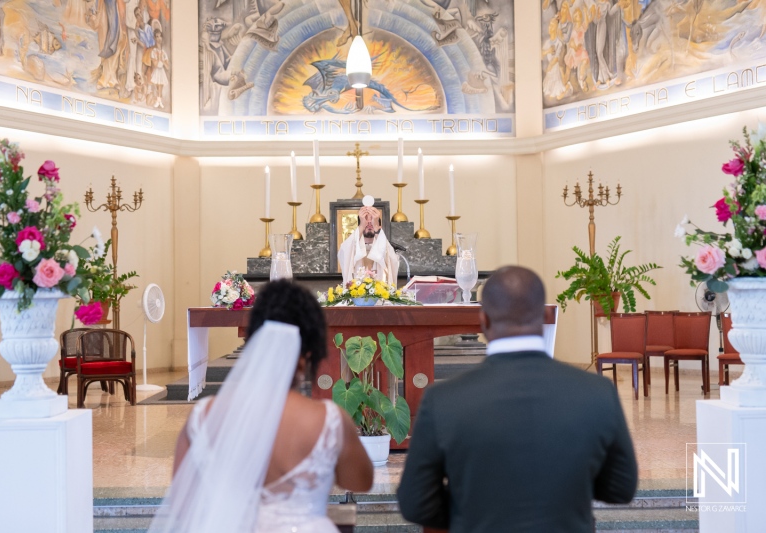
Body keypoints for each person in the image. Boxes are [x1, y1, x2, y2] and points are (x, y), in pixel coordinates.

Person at [397, 266, 638, 533]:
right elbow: (621, 489)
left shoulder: (443, 399)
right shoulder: (597, 392)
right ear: (545, 316)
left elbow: (414, 503)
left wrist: (463, 511)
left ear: (484, 321)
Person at [150, 280, 374, 532]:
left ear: (255, 339)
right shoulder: (328, 420)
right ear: (308, 353)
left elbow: (183, 506)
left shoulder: (205, 415)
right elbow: (360, 481)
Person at [337, 205, 399, 286]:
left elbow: (392, 260)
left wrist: (376, 226)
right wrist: (362, 225)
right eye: (366, 221)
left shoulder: (385, 246)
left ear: (379, 226)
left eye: (372, 221)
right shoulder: (353, 246)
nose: (369, 223)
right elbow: (343, 252)